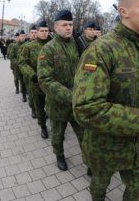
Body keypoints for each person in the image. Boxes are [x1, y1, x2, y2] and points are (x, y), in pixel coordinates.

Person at [73, 0, 139, 201]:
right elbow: (86, 108)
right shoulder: (102, 50)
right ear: (124, 11)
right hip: (106, 148)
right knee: (99, 186)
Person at [37, 10, 84, 171]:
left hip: (78, 103)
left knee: (85, 136)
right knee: (58, 135)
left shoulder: (77, 44)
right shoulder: (48, 49)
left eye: (70, 25)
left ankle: (89, 162)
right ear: (55, 27)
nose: (68, 28)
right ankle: (59, 155)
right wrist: (71, 96)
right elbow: (45, 80)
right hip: (58, 104)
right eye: (64, 25)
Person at [19, 21, 50, 139]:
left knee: (52, 107)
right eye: (41, 31)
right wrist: (32, 75)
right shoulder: (29, 47)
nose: (44, 33)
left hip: (51, 83)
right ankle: (43, 126)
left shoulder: (52, 44)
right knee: (39, 108)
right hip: (36, 84)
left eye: (46, 31)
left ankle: (56, 126)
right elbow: (22, 63)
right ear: (36, 32)